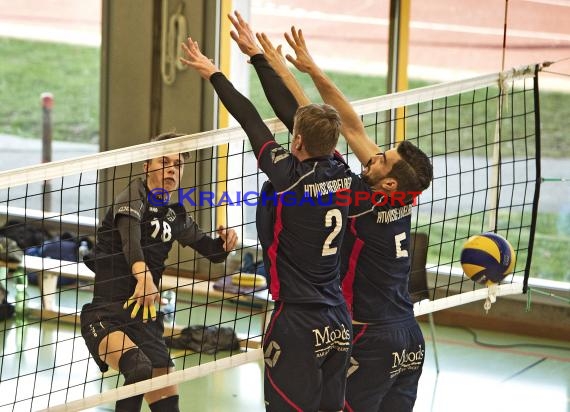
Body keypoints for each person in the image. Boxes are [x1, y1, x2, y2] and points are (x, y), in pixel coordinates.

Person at [246, 23, 433, 411]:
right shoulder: (402, 194)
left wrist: (282, 72)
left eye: (383, 159)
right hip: (409, 339)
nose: (375, 156)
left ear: (388, 183)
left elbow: (322, 129)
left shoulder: (360, 195)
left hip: (370, 338)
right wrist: (311, 68)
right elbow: (350, 125)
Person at [181, 25, 355, 412]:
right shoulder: (343, 172)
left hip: (296, 320)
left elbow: (251, 118)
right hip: (339, 320)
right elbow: (294, 116)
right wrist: (257, 58)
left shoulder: (289, 177)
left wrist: (214, 73)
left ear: (295, 142)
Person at [80, 132, 238, 412]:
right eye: (164, 162)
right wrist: (144, 277)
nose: (171, 169)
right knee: (139, 369)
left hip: (145, 320)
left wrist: (226, 244)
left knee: (167, 404)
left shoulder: (174, 216)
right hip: (107, 315)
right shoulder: (132, 197)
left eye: (177, 164)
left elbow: (212, 252)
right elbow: (132, 241)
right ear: (146, 166)